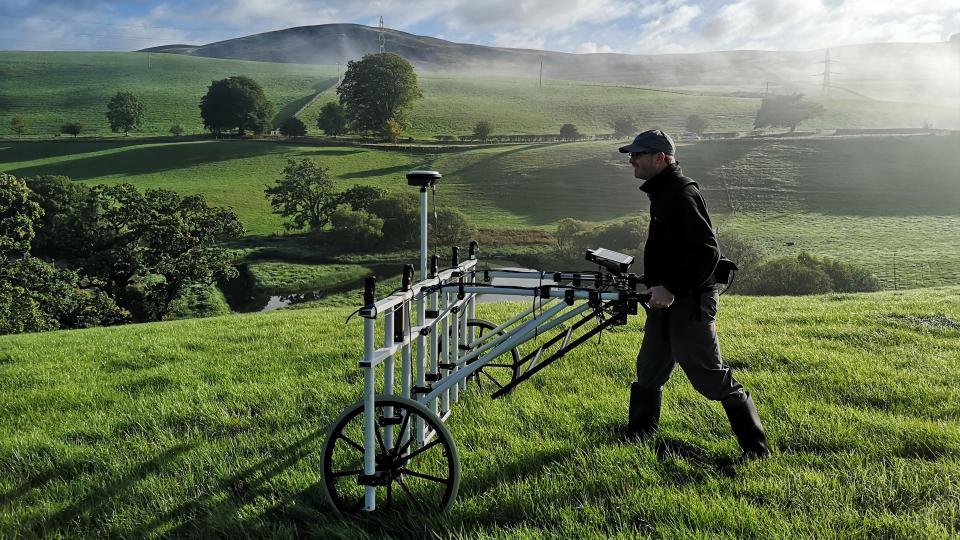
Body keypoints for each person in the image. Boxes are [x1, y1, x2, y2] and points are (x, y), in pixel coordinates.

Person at [619, 129, 770, 459]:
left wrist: (670, 287)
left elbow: (705, 252)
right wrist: (650, 279)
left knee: (708, 376)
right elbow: (675, 250)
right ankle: (638, 436)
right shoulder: (663, 193)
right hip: (667, 299)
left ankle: (756, 451)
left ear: (660, 158)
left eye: (637, 155)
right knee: (650, 368)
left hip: (689, 302)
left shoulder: (680, 194)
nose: (632, 160)